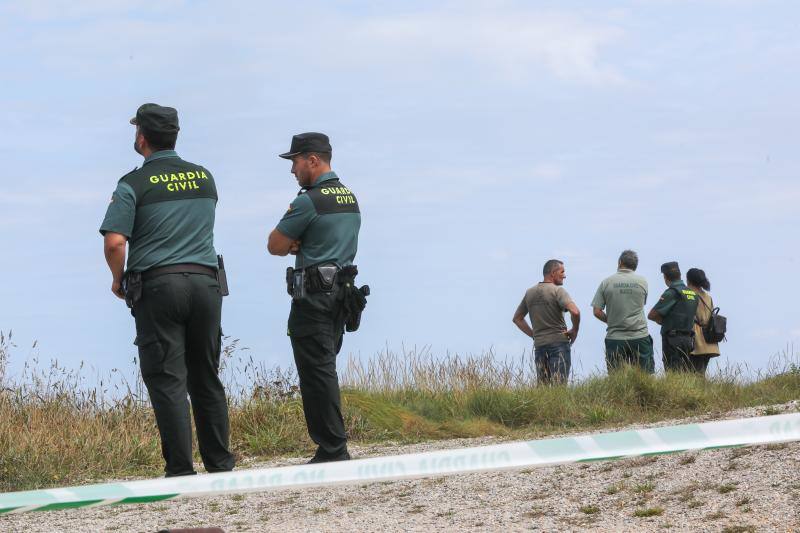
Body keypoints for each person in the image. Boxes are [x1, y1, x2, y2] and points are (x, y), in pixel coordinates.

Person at [99, 103, 235, 476]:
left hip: (159, 287)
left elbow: (115, 243)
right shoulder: (205, 178)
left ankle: (180, 468)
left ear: (141, 137)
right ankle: (221, 464)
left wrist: (117, 278)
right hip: (207, 284)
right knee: (205, 374)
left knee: (167, 378)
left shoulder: (132, 184)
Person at [267, 132, 362, 463]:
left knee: (315, 371)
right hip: (341, 294)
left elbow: (275, 245)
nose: (292, 170)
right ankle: (332, 444)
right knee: (326, 365)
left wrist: (296, 242)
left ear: (313, 159)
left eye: (294, 161)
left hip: (314, 296)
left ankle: (333, 446)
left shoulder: (309, 201)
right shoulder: (349, 198)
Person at [512, 259, 580, 384]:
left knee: (543, 387)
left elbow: (517, 319)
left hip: (540, 346)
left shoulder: (530, 292)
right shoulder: (558, 291)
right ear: (553, 273)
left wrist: (534, 335)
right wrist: (574, 330)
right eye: (562, 272)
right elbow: (575, 312)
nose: (564, 275)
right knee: (559, 387)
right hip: (559, 344)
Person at [591, 250, 655, 373]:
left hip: (615, 337)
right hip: (640, 336)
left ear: (620, 262)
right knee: (645, 375)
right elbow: (642, 304)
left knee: (617, 378)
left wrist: (612, 321)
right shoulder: (643, 282)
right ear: (635, 265)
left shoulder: (606, 282)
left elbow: (597, 311)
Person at [647, 261, 699, 372]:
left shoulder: (671, 293)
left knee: (672, 372)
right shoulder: (693, 294)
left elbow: (652, 315)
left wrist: (662, 321)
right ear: (680, 275)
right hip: (689, 339)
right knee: (686, 373)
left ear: (665, 277)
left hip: (672, 340)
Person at [686, 268, 720, 375]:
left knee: (692, 373)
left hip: (697, 338)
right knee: (700, 373)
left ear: (689, 280)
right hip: (709, 340)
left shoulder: (689, 294)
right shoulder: (708, 297)